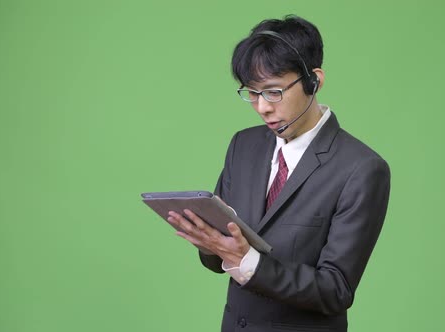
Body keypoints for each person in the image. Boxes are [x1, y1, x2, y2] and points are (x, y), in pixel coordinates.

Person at [167, 15, 391, 332]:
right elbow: (219, 261)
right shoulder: (242, 145)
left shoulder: (362, 168)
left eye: (273, 92)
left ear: (314, 80)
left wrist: (249, 262)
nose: (262, 107)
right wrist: (209, 243)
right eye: (252, 93)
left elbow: (336, 290)